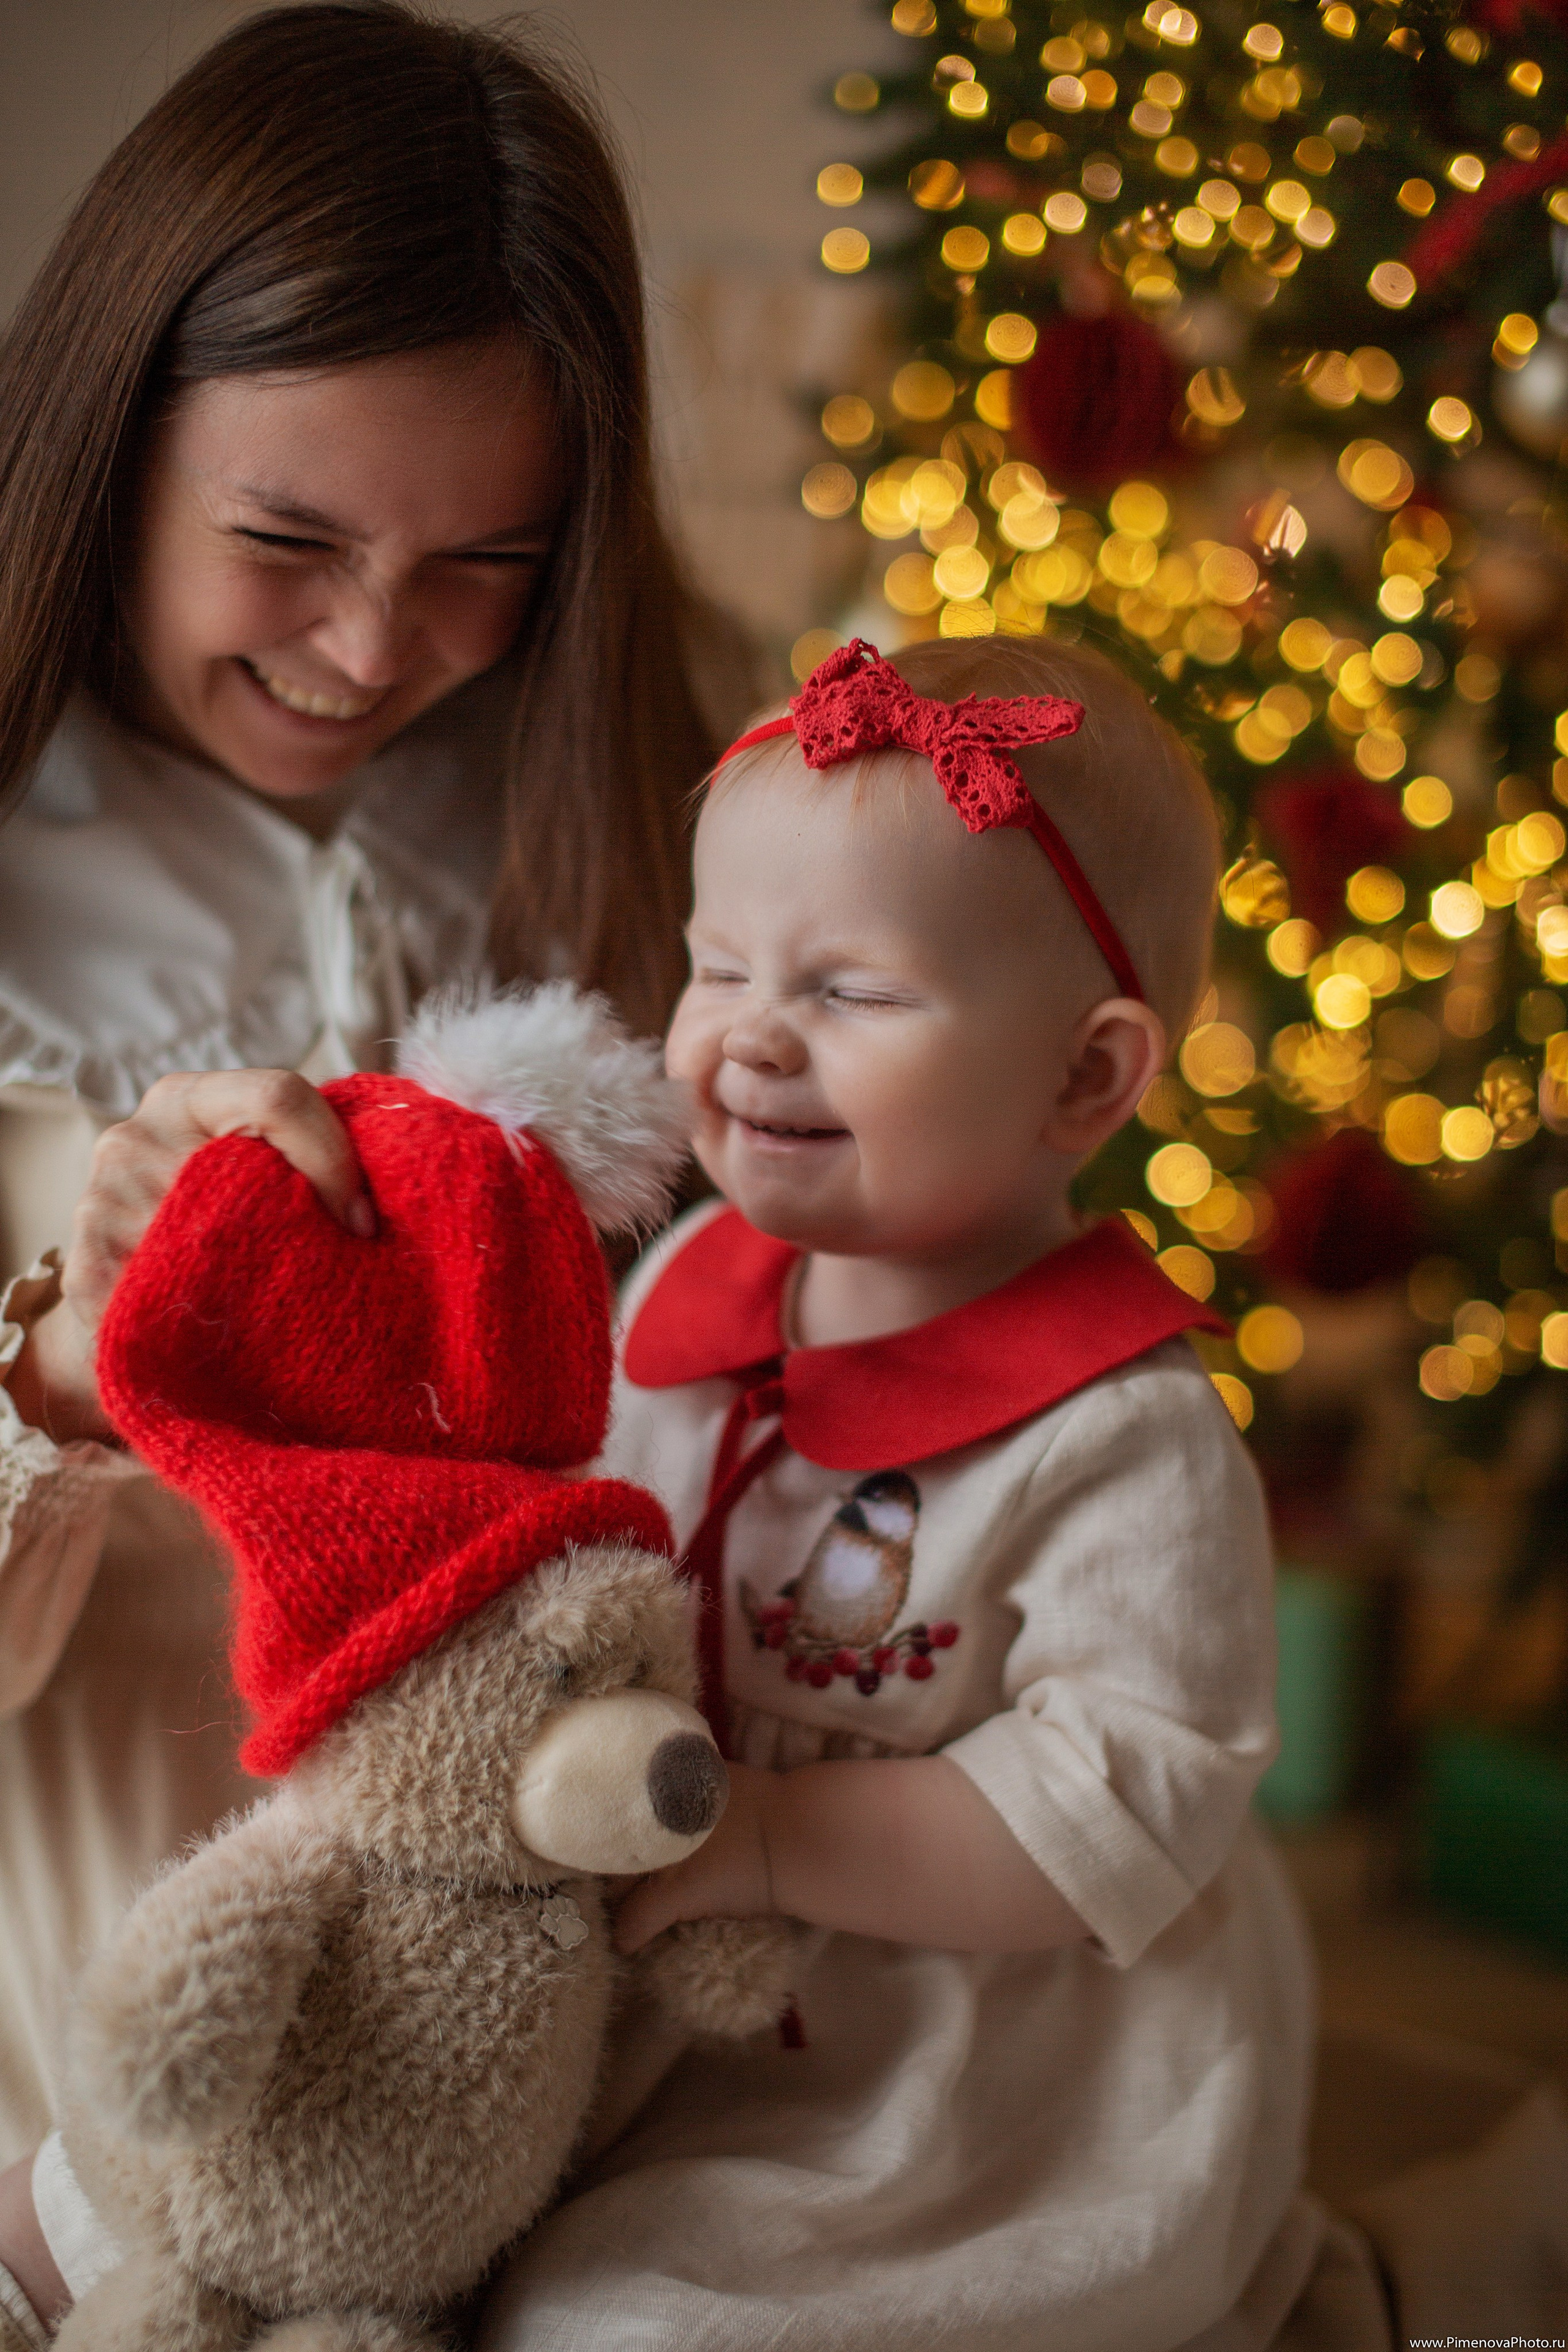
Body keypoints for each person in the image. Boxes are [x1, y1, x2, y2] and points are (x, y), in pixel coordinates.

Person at [0, 4, 750, 2335]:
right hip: (109, 1891)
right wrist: (62, 1347)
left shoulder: (625, 780)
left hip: (534, 1901)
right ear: (107, 445)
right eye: (286, 542)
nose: (365, 650)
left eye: (482, 564)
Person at [478, 636, 1319, 2351]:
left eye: (851, 993)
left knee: (631, 2322)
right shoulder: (690, 1285)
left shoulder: (1119, 1437)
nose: (752, 1041)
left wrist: (777, 1833)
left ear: (1087, 1077)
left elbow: (1131, 1801)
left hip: (963, 2072)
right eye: (721, 969)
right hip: (663, 1960)